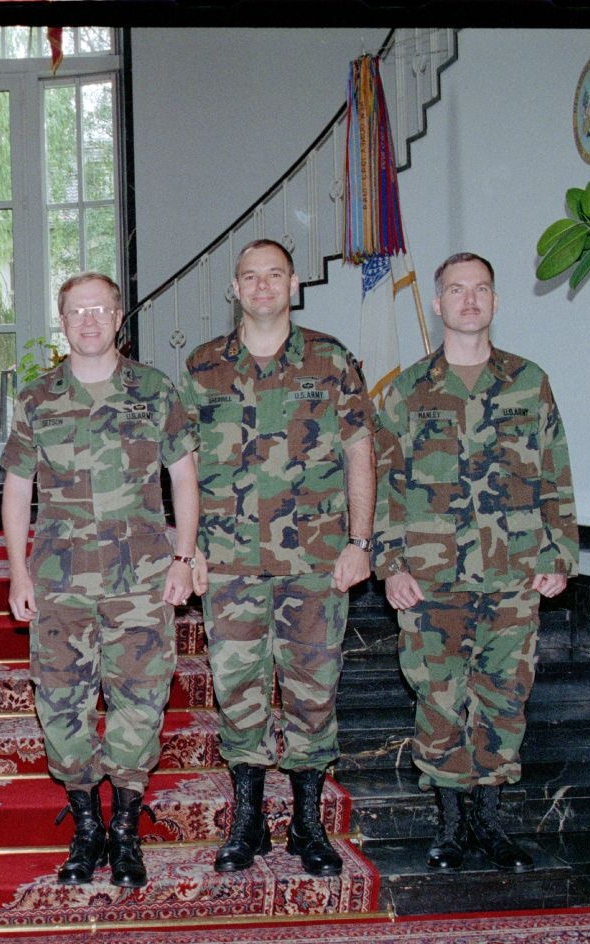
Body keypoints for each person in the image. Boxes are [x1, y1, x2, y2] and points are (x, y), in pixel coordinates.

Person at [373, 252, 577, 873]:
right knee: (438, 698)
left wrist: (560, 551)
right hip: (431, 578)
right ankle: (450, 825)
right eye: (456, 291)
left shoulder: (528, 381)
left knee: (503, 697)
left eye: (480, 289)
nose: (469, 300)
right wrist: (390, 563)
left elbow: (556, 472)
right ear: (437, 305)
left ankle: (489, 824)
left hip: (513, 572)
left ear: (494, 300)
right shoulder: (408, 390)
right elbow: (386, 484)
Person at [179, 238, 374, 877]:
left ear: (293, 286)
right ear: (233, 289)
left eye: (274, 276)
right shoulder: (202, 367)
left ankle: (309, 826)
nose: (262, 286)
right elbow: (180, 467)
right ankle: (248, 822)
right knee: (238, 691)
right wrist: (191, 551)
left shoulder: (330, 359)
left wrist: (360, 541)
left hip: (315, 560)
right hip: (231, 562)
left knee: (313, 691)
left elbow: (358, 452)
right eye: (250, 277)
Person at [1, 272, 202, 888]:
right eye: (75, 311)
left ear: (119, 317)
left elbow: (184, 478)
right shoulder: (36, 399)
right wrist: (15, 571)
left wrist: (183, 557)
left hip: (140, 580)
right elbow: (16, 489)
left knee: (140, 703)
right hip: (61, 580)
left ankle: (126, 831)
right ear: (61, 322)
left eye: (100, 308)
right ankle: (87, 827)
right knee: (60, 705)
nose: (88, 320)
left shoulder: (154, 390)